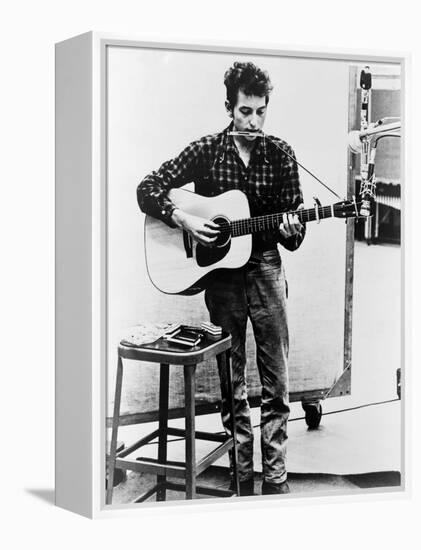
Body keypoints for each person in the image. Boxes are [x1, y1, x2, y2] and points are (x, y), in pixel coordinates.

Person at [137, 61, 306, 496]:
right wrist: (184, 221)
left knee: (276, 384)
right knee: (232, 385)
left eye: (261, 112)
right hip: (224, 283)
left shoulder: (281, 153)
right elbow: (147, 187)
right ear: (229, 106)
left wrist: (293, 229)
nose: (253, 122)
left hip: (266, 270)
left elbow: (296, 231)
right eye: (245, 111)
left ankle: (277, 479)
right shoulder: (207, 150)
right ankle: (241, 478)